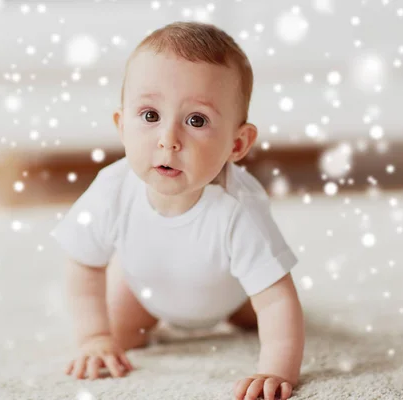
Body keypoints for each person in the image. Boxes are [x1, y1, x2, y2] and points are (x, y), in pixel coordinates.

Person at [52, 21, 305, 400]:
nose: (168, 140)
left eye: (196, 121)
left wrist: (276, 370)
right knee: (116, 342)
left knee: (271, 321)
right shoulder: (112, 188)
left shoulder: (238, 209)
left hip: (233, 295)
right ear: (122, 126)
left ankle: (240, 317)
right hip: (144, 290)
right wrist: (94, 337)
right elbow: (84, 262)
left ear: (237, 144)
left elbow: (275, 297)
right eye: (150, 116)